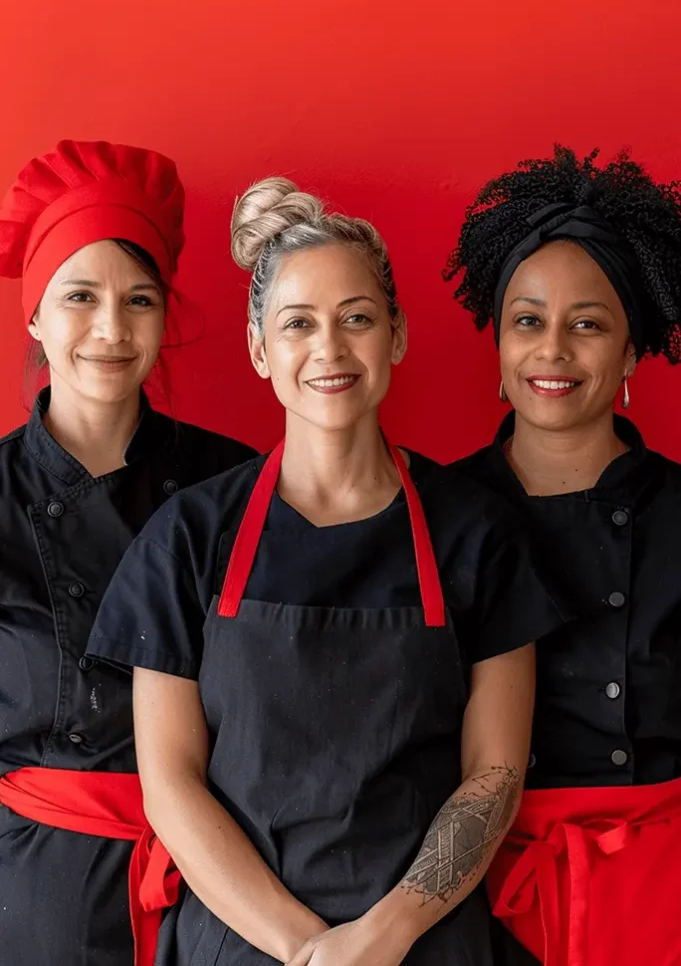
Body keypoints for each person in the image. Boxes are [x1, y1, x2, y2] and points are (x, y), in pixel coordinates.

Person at [88, 176, 561, 966]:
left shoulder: (475, 533)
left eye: (357, 319)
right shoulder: (190, 537)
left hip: (425, 942)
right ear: (258, 348)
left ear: (396, 336)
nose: (329, 349)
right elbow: (169, 783)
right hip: (240, 940)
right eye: (298, 323)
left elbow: (493, 774)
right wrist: (307, 947)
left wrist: (385, 934)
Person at [0, 139, 256, 966]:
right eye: (80, 297)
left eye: (139, 301)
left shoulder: (238, 488)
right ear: (34, 313)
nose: (111, 330)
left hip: (225, 892)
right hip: (33, 900)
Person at [445, 145, 681, 966]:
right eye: (527, 320)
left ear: (630, 353)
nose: (552, 350)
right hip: (466, 894)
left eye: (587, 324)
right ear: (500, 346)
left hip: (659, 895)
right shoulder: (432, 515)